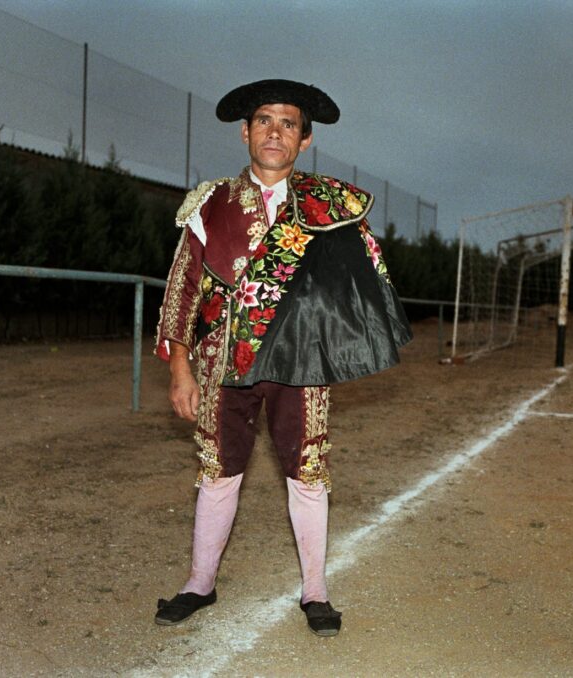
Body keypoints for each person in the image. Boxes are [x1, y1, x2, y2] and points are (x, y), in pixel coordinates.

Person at [153, 79, 411, 637]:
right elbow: (182, 289)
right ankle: (200, 584)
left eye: (288, 123)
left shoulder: (331, 207)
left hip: (304, 364)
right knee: (218, 471)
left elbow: (359, 288)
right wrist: (180, 368)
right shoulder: (210, 204)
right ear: (245, 132)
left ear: (306, 140)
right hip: (223, 363)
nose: (275, 131)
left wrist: (345, 346)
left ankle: (315, 591)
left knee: (308, 473)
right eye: (264, 120)